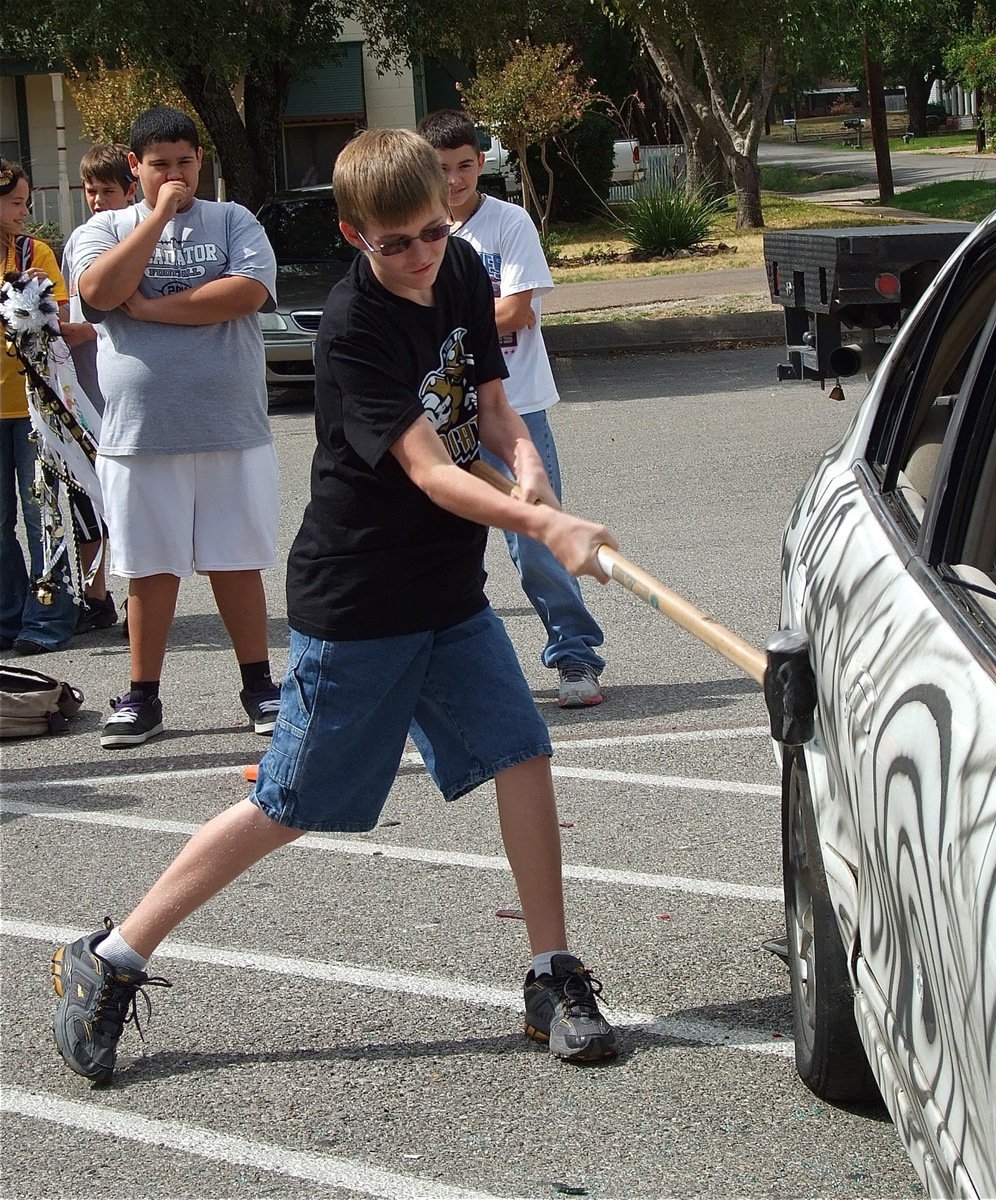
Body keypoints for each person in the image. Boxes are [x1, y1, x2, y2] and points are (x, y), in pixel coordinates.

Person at [50, 128, 620, 1084]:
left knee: (522, 751)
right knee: (289, 802)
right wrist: (546, 532)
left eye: (432, 232)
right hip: (357, 598)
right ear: (356, 235)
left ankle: (550, 973)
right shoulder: (353, 328)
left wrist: (526, 466)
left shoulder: (469, 270)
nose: (420, 255)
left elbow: (487, 404)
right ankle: (108, 958)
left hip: (447, 590)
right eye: (394, 242)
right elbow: (432, 471)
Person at [68, 107, 282, 749]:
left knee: (236, 560)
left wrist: (153, 309)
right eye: (159, 164)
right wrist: (157, 217)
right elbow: (101, 292)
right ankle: (142, 697)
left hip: (230, 426)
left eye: (185, 162)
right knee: (149, 568)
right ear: (135, 168)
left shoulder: (232, 219)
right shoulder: (104, 226)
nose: (175, 174)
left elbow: (246, 292)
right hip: (139, 431)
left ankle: (259, 686)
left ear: (200, 161)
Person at [417, 110, 608, 709]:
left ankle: (576, 654)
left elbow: (518, 310)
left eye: (465, 167)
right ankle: (427, 667)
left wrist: (440, 327)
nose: (454, 181)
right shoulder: (418, 231)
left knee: (536, 543)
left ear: (482, 162)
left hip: (514, 407)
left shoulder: (507, 223)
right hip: (440, 416)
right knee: (432, 546)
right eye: (442, 169)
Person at [0, 158, 79, 656]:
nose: (25, 211)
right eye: (15, 202)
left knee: (42, 511)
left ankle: (48, 618)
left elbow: (61, 316)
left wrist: (35, 298)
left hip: (31, 405)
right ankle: (7, 617)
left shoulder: (37, 251)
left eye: (26, 201)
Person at [61, 143, 139, 636]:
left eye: (106, 190)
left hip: (125, 395)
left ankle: (140, 597)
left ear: (130, 190)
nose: (95, 199)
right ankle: (95, 594)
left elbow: (109, 310)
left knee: (129, 503)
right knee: (84, 495)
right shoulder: (79, 241)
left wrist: (81, 326)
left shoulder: (138, 236)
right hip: (83, 393)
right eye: (89, 190)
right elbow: (76, 304)